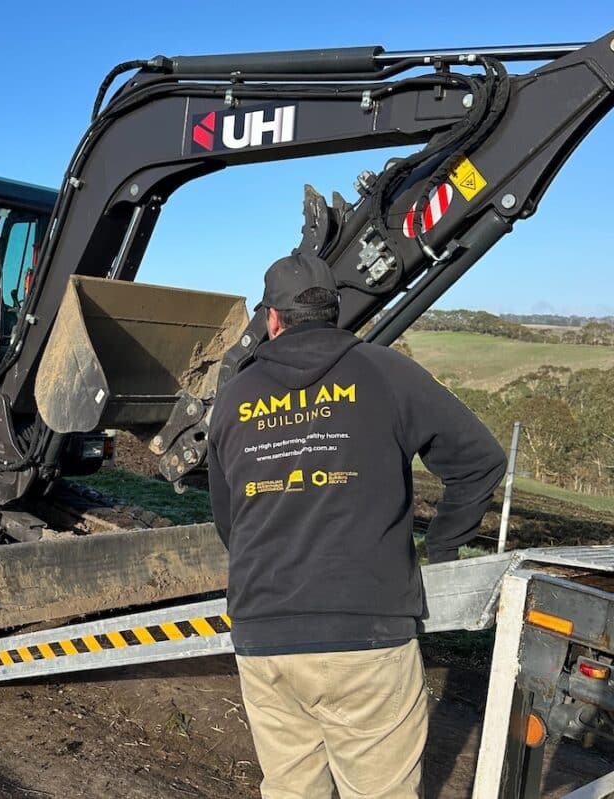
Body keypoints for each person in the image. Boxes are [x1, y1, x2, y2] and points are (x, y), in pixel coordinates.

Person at [207, 253, 507, 799]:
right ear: (335, 310)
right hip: (367, 637)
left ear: (271, 319)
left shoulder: (233, 398)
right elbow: (480, 460)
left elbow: (230, 523)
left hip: (263, 635)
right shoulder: (385, 372)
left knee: (291, 791)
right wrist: (442, 550)